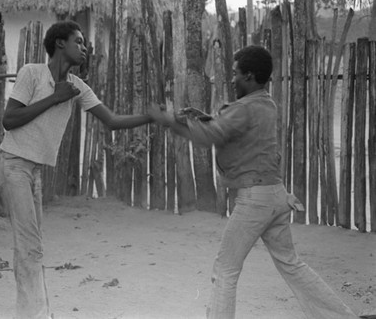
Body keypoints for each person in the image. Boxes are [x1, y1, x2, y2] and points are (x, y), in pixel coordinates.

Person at [148, 45, 359, 319]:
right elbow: (228, 126)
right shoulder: (265, 103)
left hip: (255, 200)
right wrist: (199, 117)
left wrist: (165, 119)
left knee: (225, 270)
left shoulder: (246, 108)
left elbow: (210, 136)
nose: (232, 78)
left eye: (235, 74)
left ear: (248, 75)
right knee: (292, 265)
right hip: (275, 196)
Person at [0, 20, 152, 319]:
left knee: (31, 248)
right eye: (78, 41)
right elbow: (9, 120)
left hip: (33, 172)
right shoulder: (32, 73)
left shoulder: (78, 87)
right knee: (30, 248)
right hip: (11, 163)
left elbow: (113, 120)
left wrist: (152, 117)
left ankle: (34, 313)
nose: (84, 48)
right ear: (59, 44)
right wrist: (55, 97)